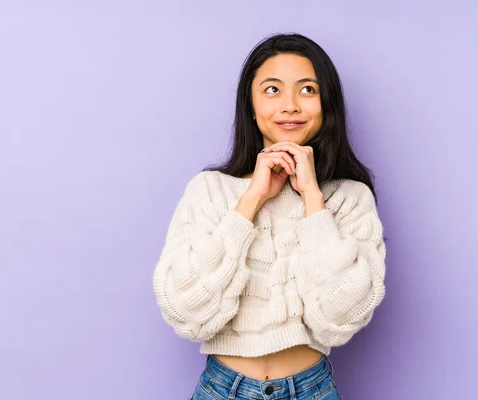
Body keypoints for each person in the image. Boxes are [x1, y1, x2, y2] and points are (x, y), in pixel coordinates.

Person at [153, 33, 386, 400]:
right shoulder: (210, 190)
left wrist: (312, 198)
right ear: (250, 104)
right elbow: (187, 313)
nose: (290, 105)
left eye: (307, 89)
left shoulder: (348, 198)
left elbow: (341, 320)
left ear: (327, 103)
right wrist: (252, 200)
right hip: (222, 389)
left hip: (312, 389)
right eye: (272, 89)